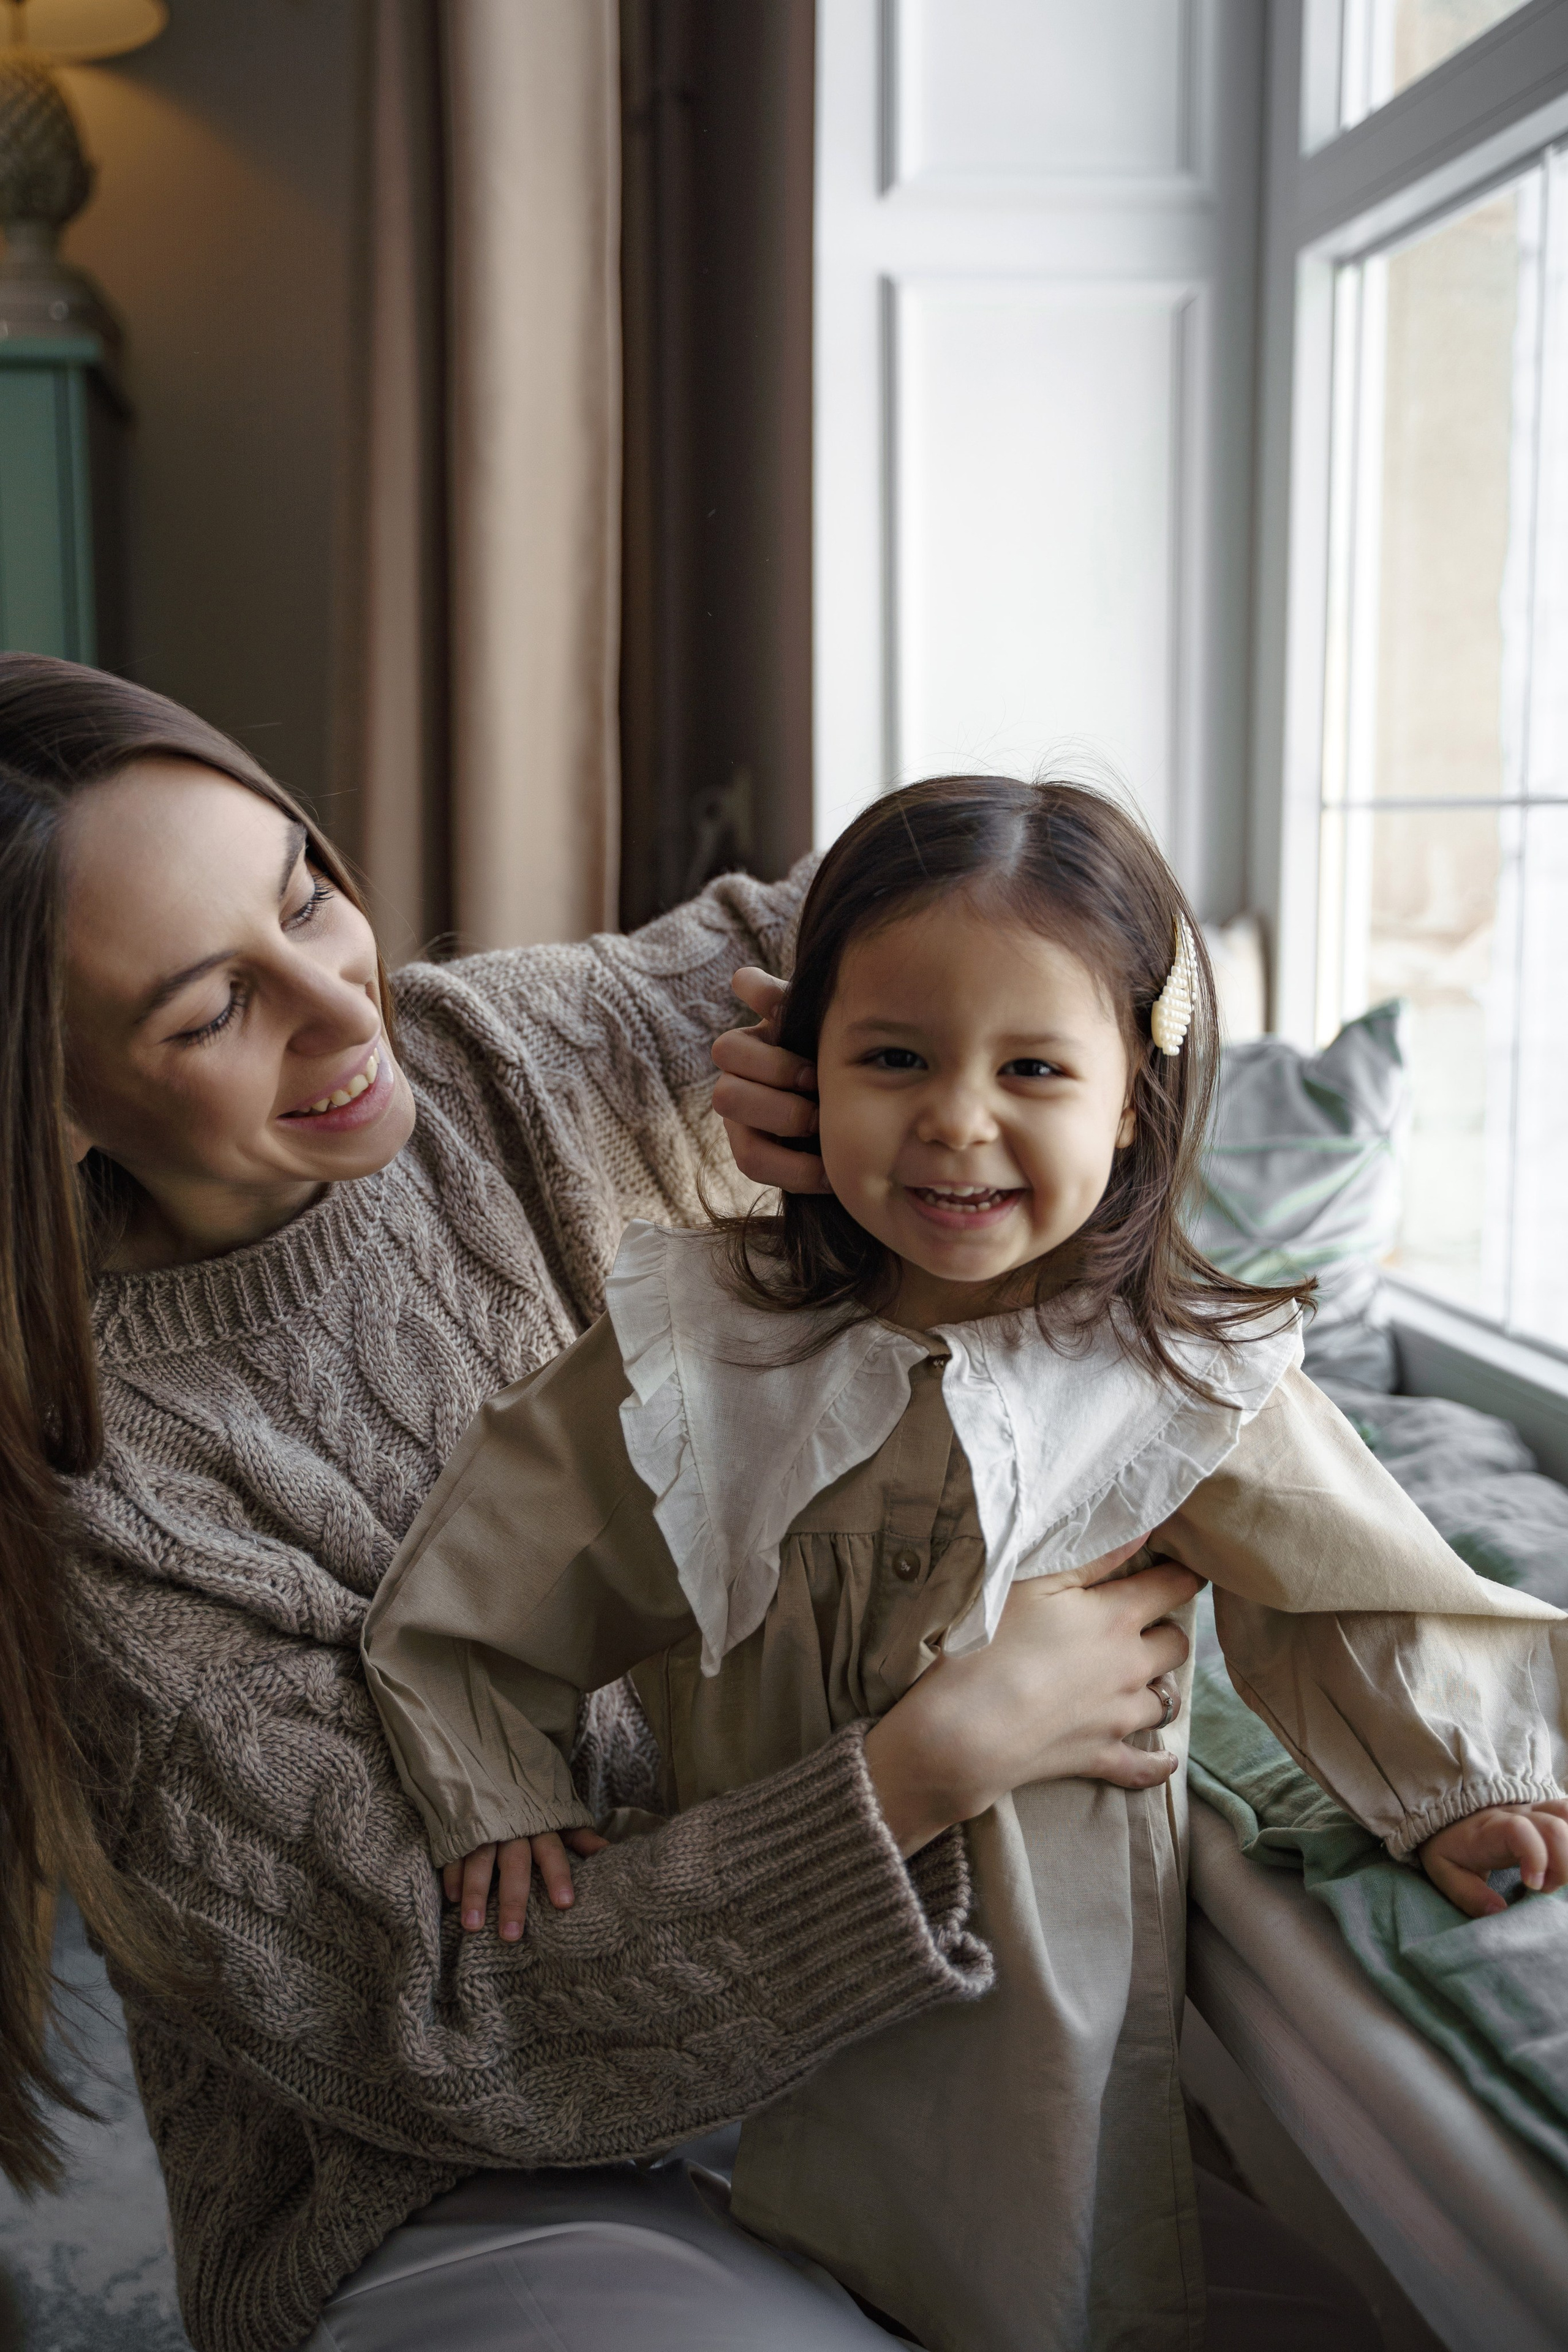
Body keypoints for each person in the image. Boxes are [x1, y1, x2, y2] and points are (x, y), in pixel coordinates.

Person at [0, 655, 1281, 2352]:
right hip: (447, 2184)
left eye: (306, 896)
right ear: (49, 1096)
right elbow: (444, 2021)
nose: (341, 1008)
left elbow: (1046, 912)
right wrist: (926, 1765)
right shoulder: (102, 1497)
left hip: (869, 2040)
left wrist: (864, 1046)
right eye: (208, 1011)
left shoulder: (508, 1048)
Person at [363, 775, 1568, 2352]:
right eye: (892, 1060)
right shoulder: (708, 1344)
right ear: (800, 1070)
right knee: (762, 2226)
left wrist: (1462, 1783)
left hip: (1028, 1989)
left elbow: (1350, 1583)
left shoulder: (1171, 1375)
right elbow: (499, 1565)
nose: (954, 1119)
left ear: (1131, 1100)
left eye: (1033, 1069)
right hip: (767, 1935)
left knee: (1030, 2266)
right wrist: (497, 1777)